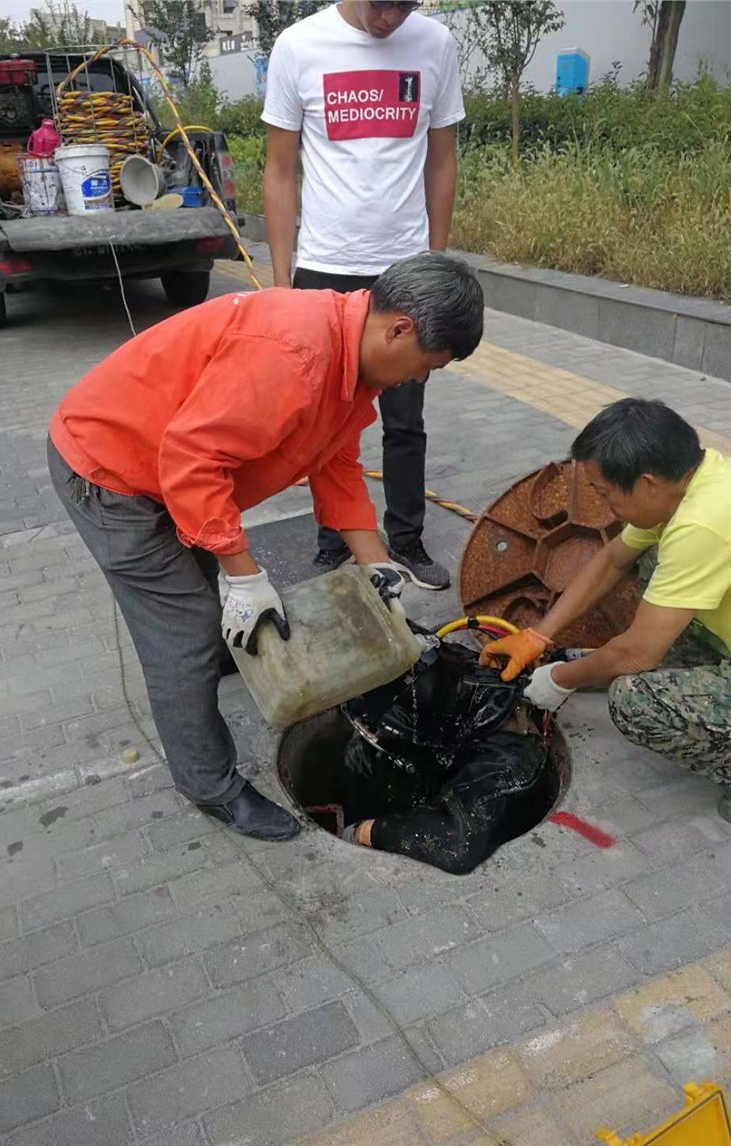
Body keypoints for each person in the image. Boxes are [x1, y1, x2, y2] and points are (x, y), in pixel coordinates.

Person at [48, 253, 484, 842]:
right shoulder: (297, 355)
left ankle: (222, 648)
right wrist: (246, 578)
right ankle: (211, 786)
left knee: (205, 597)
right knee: (182, 638)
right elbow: (192, 460)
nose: (418, 380)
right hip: (111, 471)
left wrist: (374, 560)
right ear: (399, 328)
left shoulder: (353, 367)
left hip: (167, 466)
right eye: (426, 366)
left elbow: (339, 464)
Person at [262, 0, 464, 591]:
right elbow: (279, 170)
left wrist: (434, 263)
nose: (392, 18)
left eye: (407, 5)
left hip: (403, 271)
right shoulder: (299, 46)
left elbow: (443, 160)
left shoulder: (435, 45)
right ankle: (335, 540)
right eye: (382, 4)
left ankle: (405, 539)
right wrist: (282, 285)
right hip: (324, 269)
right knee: (327, 421)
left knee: (405, 419)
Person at [480, 399, 731, 820]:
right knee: (649, 563)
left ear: (646, 482)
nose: (604, 504)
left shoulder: (702, 524)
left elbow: (637, 655)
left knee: (635, 701)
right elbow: (611, 560)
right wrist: (540, 634)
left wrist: (557, 681)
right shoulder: (691, 481)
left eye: (604, 492)